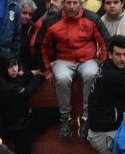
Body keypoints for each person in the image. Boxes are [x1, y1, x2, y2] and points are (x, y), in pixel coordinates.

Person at [40, 0, 111, 139]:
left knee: (92, 74)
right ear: (63, 3)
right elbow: (40, 46)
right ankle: (65, 117)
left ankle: (86, 117)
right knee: (62, 78)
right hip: (63, 59)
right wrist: (46, 71)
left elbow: (105, 42)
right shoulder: (52, 21)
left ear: (81, 4)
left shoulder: (92, 18)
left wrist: (103, 66)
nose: (72, 6)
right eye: (68, 3)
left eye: (75, 2)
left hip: (88, 59)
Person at [19, 0, 37, 71]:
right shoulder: (10, 25)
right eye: (24, 13)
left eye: (30, 14)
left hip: (29, 64)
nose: (27, 17)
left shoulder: (33, 27)